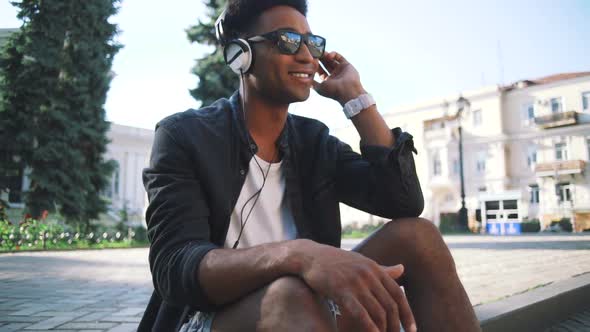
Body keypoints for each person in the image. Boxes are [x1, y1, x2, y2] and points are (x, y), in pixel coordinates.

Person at [139, 0, 481, 331]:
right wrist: (298, 255)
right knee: (288, 296)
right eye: (287, 41)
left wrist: (356, 97)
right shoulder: (184, 136)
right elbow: (175, 265)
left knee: (419, 237)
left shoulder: (313, 142)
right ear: (240, 55)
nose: (306, 55)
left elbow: (402, 202)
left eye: (313, 43)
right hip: (209, 320)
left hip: (307, 312)